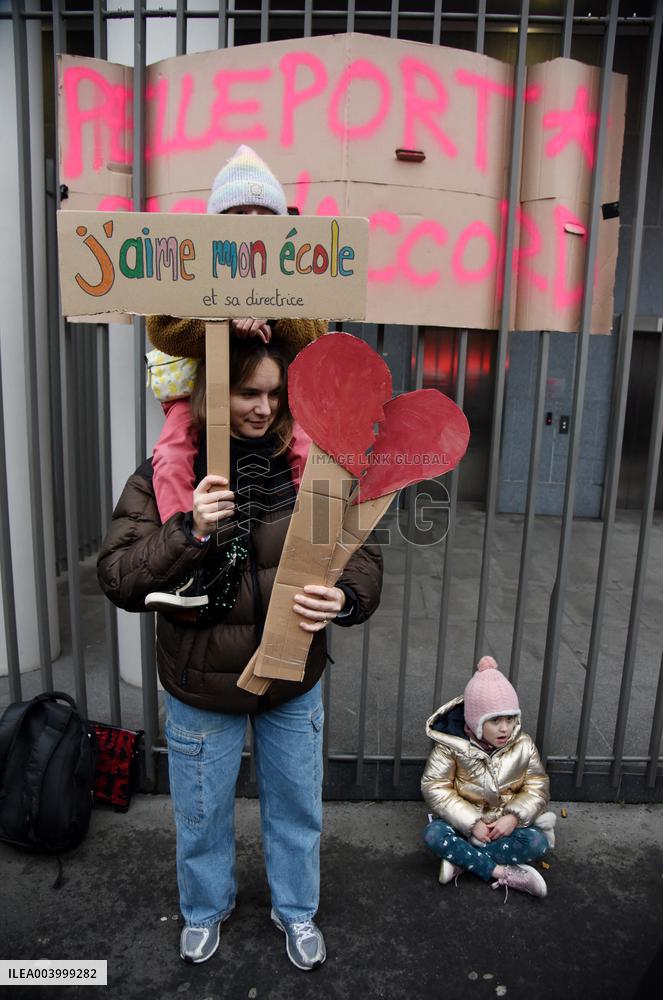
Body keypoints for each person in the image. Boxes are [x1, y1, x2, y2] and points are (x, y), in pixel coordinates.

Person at [97, 155, 383, 973]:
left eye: (273, 397)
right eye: (246, 394)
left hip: (293, 677)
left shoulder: (311, 465)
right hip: (199, 685)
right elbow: (117, 577)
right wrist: (187, 529)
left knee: (297, 807)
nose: (259, 407)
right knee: (200, 813)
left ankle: (297, 911)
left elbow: (360, 552)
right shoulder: (167, 466)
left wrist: (348, 598)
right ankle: (204, 908)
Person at [142, 144, 326, 612]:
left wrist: (274, 314)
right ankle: (189, 550)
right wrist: (220, 318)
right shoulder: (193, 265)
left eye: (261, 212)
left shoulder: (299, 265)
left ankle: (317, 541)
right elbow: (161, 327)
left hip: (275, 392)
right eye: (237, 212)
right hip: (207, 394)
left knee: (309, 449)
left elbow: (316, 334)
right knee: (171, 455)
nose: (249, 221)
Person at [421, 656, 556, 899]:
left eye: (510, 718)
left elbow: (538, 786)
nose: (505, 728)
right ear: (475, 721)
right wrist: (472, 822)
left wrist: (513, 817)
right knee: (434, 834)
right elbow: (435, 787)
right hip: (462, 825)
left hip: (502, 826)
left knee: (537, 843)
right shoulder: (451, 746)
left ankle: (463, 860)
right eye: (495, 720)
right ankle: (501, 872)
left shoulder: (523, 745)